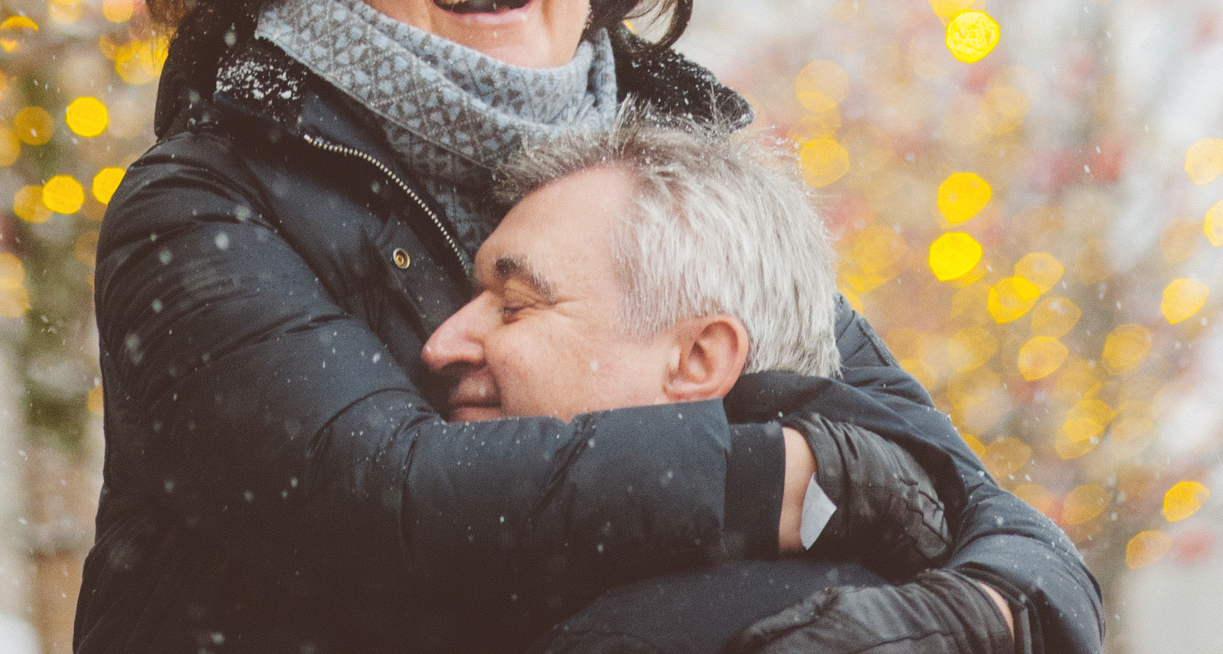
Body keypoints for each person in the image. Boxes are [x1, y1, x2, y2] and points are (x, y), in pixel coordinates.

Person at [75, 0, 1101, 654]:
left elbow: (957, 496)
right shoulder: (206, 202)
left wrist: (966, 615)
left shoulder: (672, 182)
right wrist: (779, 479)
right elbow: (375, 501)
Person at [422, 114, 1022, 654]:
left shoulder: (636, 634)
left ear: (697, 360)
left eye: (515, 305)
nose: (441, 345)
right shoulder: (879, 589)